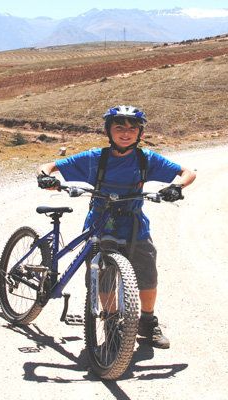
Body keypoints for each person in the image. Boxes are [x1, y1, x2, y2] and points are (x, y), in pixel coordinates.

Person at [36, 105, 196, 349]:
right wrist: (45, 177)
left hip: (134, 223)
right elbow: (48, 166)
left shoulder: (146, 159)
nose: (126, 133)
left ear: (140, 133)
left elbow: (187, 173)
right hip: (101, 221)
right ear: (107, 131)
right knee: (103, 274)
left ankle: (147, 321)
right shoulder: (94, 159)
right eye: (119, 128)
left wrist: (177, 187)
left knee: (147, 270)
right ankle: (111, 321)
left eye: (133, 128)